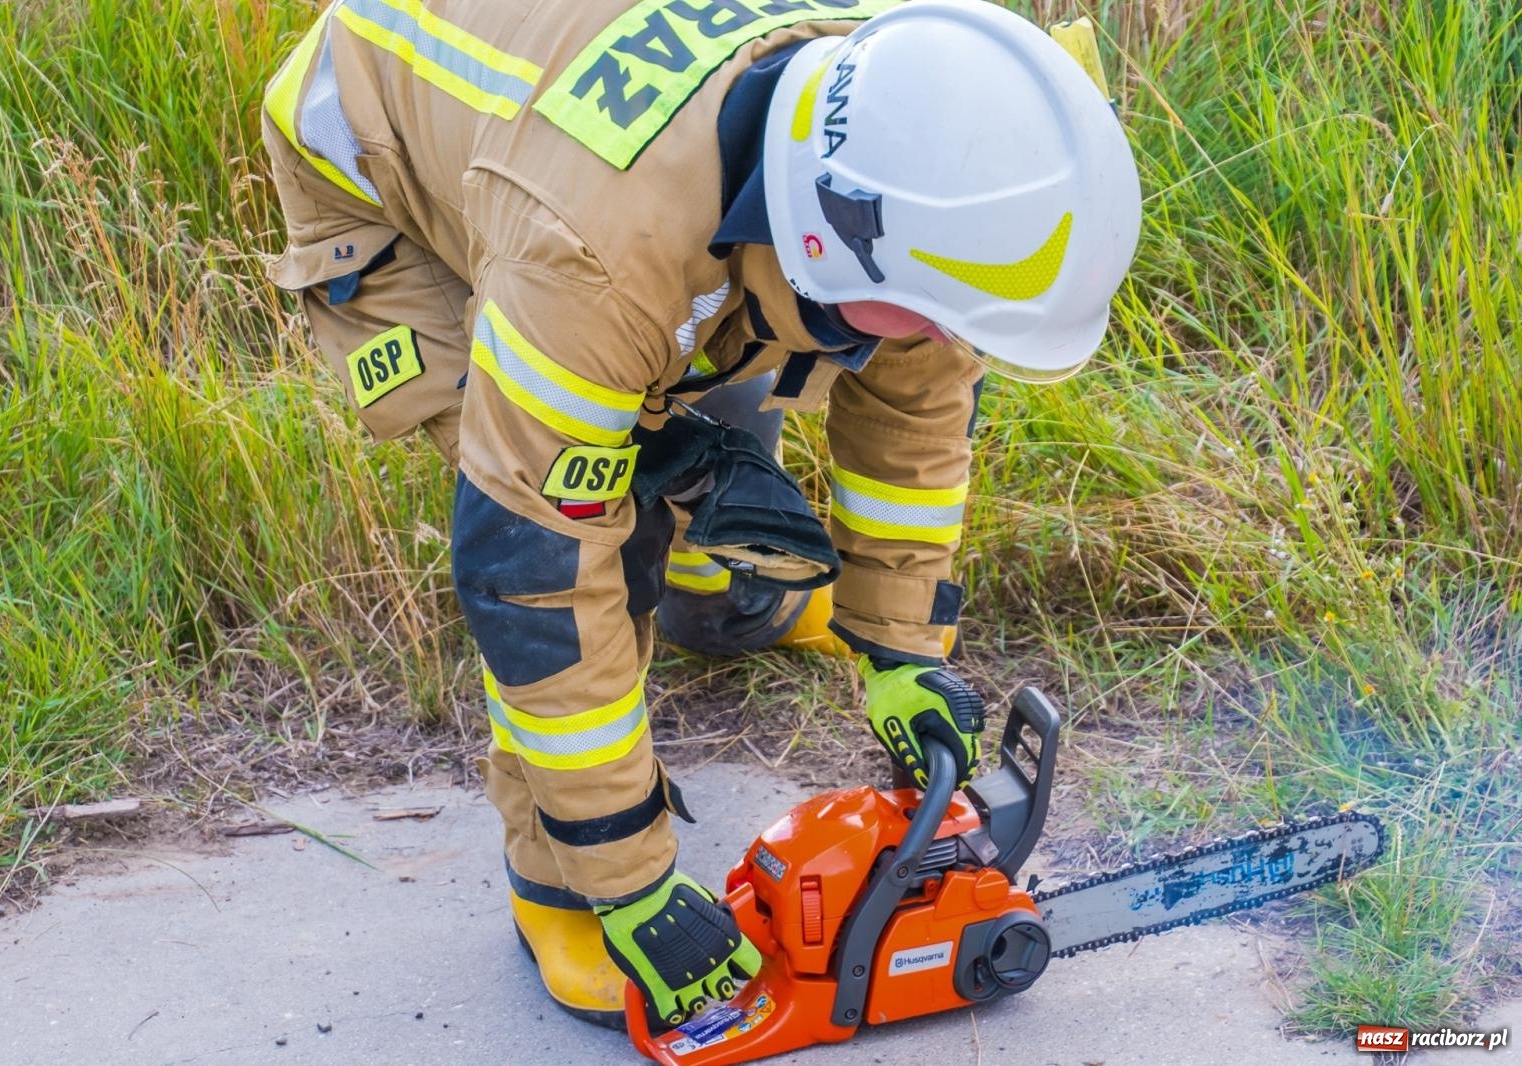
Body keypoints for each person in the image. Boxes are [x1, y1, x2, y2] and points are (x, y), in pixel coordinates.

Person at [261, 0, 1140, 1030]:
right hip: (377, 161)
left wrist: (899, 645)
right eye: (937, 312)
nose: (950, 335)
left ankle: (718, 592)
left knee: (692, 374)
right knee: (597, 519)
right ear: (827, 238)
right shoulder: (590, 260)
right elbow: (531, 580)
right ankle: (559, 884)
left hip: (585, 164)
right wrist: (629, 877)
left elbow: (914, 412)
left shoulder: (899, 140)